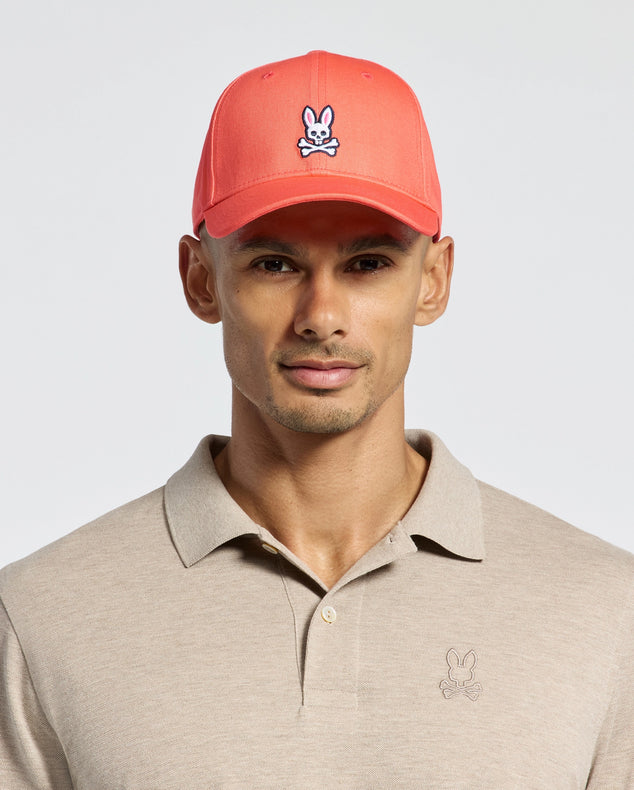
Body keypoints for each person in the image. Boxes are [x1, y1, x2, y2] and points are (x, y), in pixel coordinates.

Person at [1, 50, 632, 789]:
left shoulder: (606, 612)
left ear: (433, 280)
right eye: (274, 263)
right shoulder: (41, 617)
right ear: (201, 280)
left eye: (368, 263)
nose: (321, 316)